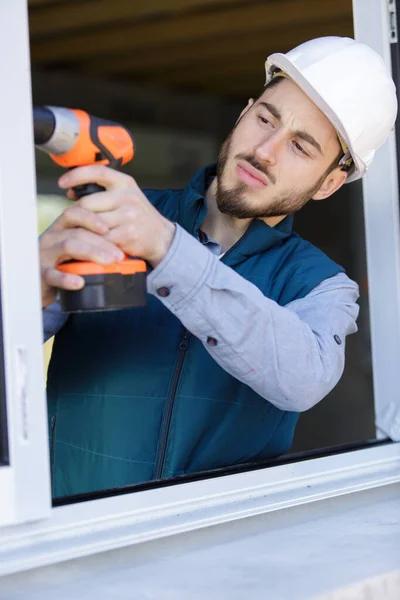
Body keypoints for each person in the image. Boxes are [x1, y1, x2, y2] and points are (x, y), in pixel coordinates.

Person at [41, 36, 397, 498]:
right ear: (243, 113)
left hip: (214, 551)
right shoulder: (116, 215)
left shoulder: (321, 285)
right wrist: (30, 281)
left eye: (301, 147)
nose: (266, 150)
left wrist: (169, 252)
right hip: (71, 528)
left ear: (329, 183)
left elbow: (302, 378)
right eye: (265, 119)